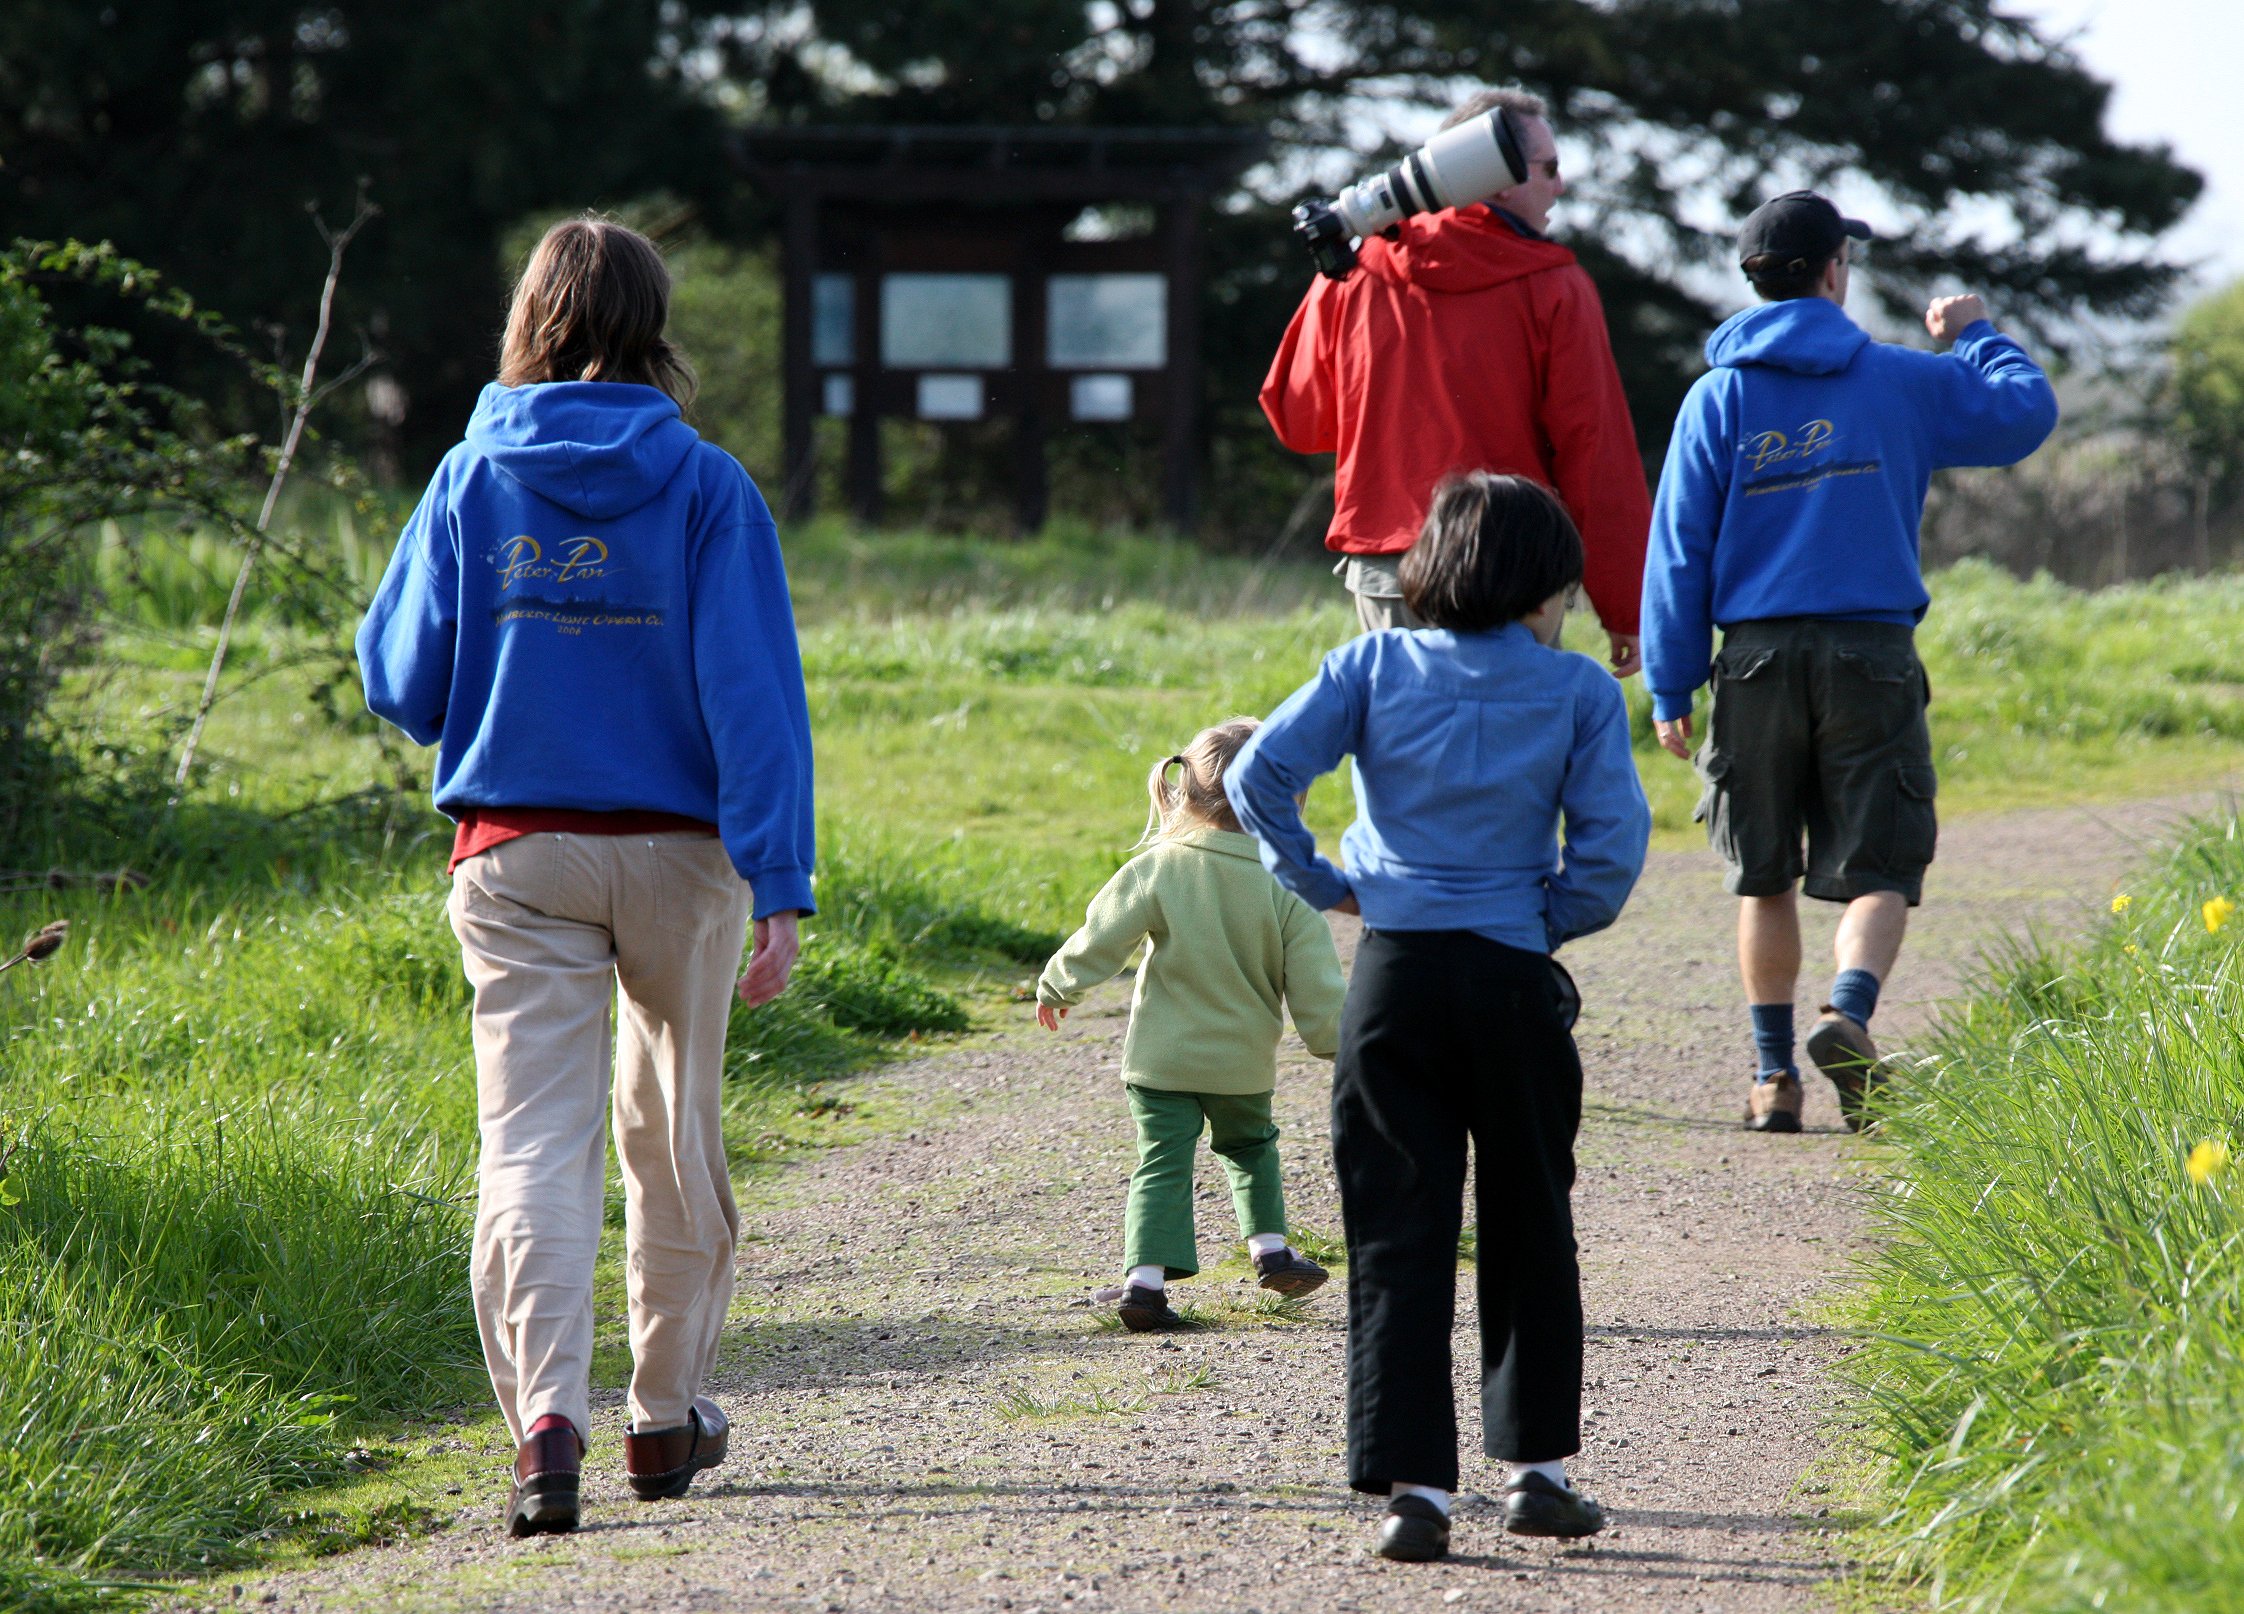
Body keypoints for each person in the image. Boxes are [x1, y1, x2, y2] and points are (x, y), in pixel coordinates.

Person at [357, 217, 815, 1537]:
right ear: (654, 325)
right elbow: (754, 699)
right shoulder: (709, 483)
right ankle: (664, 1419)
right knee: (671, 1133)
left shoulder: (467, 474)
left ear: (532, 319)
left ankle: (544, 1424)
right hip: (683, 857)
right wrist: (779, 879)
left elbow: (400, 677)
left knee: (532, 1149)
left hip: (517, 852)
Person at [1225, 473, 1651, 1562]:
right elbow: (1610, 850)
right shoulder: (1577, 695)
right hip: (1510, 983)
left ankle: (1414, 1491)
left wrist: (1323, 882)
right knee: (1528, 1224)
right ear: (1541, 591)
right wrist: (1544, 916)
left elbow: (1262, 775)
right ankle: (1538, 1477)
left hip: (1394, 980)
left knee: (1396, 1233)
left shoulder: (1368, 663)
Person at [1639, 191, 2058, 1135]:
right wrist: (1979, 335)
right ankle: (1851, 1013)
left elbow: (1677, 549)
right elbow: (2024, 414)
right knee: (1881, 863)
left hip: (1749, 660)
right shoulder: (1900, 379)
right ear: (1834, 271)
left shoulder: (1718, 396)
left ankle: (1772, 1075)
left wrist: (1671, 681)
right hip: (1870, 651)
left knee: (1763, 873)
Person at [1259, 86, 1650, 670]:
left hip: (1393, 568)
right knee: (1515, 757)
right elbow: (1595, 454)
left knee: (1403, 754)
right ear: (1495, 176)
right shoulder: (1556, 287)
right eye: (1549, 169)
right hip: (1514, 567)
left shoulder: (1357, 267)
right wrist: (1628, 607)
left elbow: (1298, 419)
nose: (1560, 186)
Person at [1035, 718, 1347, 1333]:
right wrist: (1346, 1045)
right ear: (1287, 795)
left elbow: (1103, 934)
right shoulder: (1288, 882)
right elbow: (1318, 990)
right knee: (1252, 1148)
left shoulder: (1160, 866)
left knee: (1161, 1162)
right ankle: (1270, 1251)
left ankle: (1143, 1285)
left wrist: (1058, 984)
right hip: (1241, 1065)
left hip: (1160, 1061)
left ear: (1186, 791)